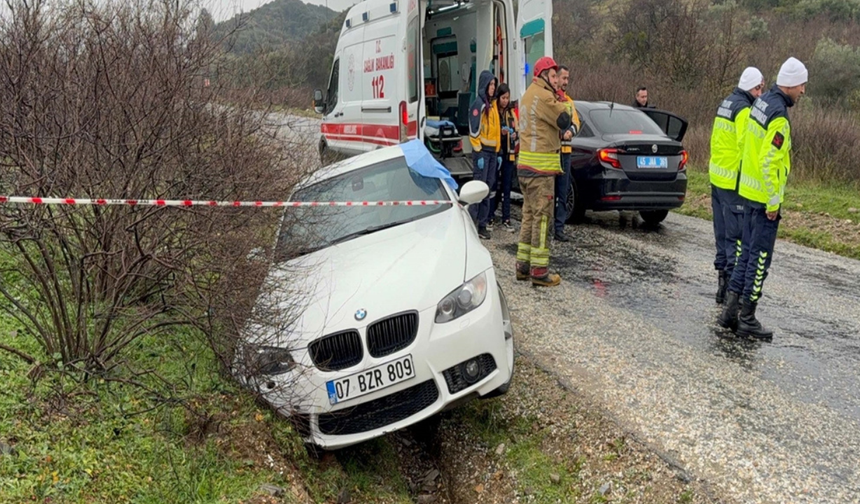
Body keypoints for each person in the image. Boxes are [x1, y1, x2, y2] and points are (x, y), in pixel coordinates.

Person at [718, 57, 808, 340]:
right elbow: (770, 161)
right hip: (763, 197)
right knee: (760, 260)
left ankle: (730, 312)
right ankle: (747, 317)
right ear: (792, 84)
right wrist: (773, 201)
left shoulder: (762, 102)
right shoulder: (779, 115)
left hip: (748, 190)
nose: (803, 91)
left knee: (745, 254)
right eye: (802, 85)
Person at [709, 67, 765, 305]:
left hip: (717, 177)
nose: (761, 94)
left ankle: (722, 288)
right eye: (759, 89)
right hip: (733, 181)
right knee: (736, 238)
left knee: (721, 235)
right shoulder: (743, 110)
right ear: (753, 88)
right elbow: (746, 145)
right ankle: (734, 292)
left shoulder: (726, 103)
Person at [515, 56, 573, 287]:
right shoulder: (545, 96)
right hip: (541, 172)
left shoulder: (528, 94)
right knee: (542, 221)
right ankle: (539, 271)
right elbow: (565, 119)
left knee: (528, 217)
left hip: (525, 168)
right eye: (552, 75)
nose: (557, 80)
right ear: (542, 75)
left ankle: (523, 266)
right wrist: (562, 98)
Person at [468, 69, 501, 239]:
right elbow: (473, 130)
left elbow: (496, 132)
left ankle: (483, 223)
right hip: (482, 153)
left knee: (487, 189)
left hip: (492, 153)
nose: (493, 88)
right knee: (478, 189)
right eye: (491, 84)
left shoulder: (493, 106)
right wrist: (479, 152)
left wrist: (498, 152)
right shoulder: (479, 104)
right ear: (484, 85)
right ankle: (473, 222)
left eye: (494, 84)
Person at [553, 65, 581, 242]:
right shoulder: (552, 100)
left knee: (562, 193)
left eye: (567, 79)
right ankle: (548, 227)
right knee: (549, 194)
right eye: (563, 78)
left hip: (565, 153)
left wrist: (571, 130)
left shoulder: (569, 102)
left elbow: (577, 123)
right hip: (551, 152)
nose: (566, 82)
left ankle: (559, 228)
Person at [489, 83, 517, 232]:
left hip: (508, 155)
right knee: (493, 185)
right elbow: (492, 131)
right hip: (495, 153)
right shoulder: (493, 110)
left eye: (507, 98)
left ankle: (506, 218)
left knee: (507, 187)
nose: (505, 101)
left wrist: (514, 134)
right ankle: (490, 216)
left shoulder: (511, 113)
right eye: (503, 97)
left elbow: (517, 129)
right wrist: (501, 133)